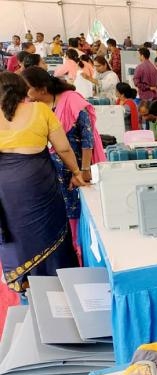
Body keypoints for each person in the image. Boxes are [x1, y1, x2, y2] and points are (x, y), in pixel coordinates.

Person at [0, 72, 87, 293]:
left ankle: (25, 282)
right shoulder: (40, 110)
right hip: (39, 183)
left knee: (15, 231)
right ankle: (59, 282)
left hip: (6, 189)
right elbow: (64, 148)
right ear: (23, 90)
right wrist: (77, 172)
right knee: (50, 229)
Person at [22, 66, 107, 257]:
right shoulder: (35, 107)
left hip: (77, 166)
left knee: (78, 211)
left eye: (27, 88)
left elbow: (87, 137)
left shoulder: (72, 101)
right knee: (59, 213)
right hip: (53, 171)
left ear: (42, 88)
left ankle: (79, 251)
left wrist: (83, 170)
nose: (25, 94)